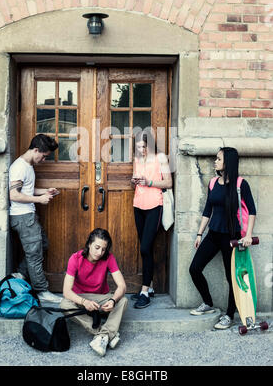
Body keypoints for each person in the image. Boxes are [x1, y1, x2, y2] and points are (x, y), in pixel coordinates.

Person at [189, 147, 256, 329]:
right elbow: (207, 210)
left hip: (231, 238)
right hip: (213, 235)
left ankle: (229, 315)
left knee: (232, 277)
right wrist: (199, 234)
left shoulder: (241, 184)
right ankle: (208, 303)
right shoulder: (212, 183)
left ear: (228, 163)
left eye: (218, 159)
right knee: (194, 268)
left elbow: (252, 211)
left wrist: (248, 235)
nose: (215, 161)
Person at [9, 133, 61, 304]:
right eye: (44, 156)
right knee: (34, 255)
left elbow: (26, 191)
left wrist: (45, 192)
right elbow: (14, 195)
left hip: (28, 215)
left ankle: (20, 274)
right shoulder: (20, 167)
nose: (44, 160)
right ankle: (42, 291)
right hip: (23, 217)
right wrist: (39, 200)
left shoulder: (28, 165)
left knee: (42, 245)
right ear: (36, 150)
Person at [61, 228, 128, 357]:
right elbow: (66, 291)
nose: (100, 252)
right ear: (89, 244)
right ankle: (105, 334)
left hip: (100, 299)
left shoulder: (109, 258)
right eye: (97, 247)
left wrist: (112, 300)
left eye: (103, 249)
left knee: (123, 301)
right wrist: (83, 302)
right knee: (64, 305)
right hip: (81, 299)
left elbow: (122, 286)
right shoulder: (75, 258)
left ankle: (103, 337)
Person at [130, 130, 172, 309]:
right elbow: (135, 181)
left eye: (144, 147)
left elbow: (169, 183)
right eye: (138, 147)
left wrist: (149, 183)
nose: (141, 150)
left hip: (155, 205)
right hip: (138, 204)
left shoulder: (160, 158)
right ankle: (151, 287)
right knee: (144, 248)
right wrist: (134, 181)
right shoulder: (137, 159)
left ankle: (144, 292)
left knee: (146, 247)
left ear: (151, 145)